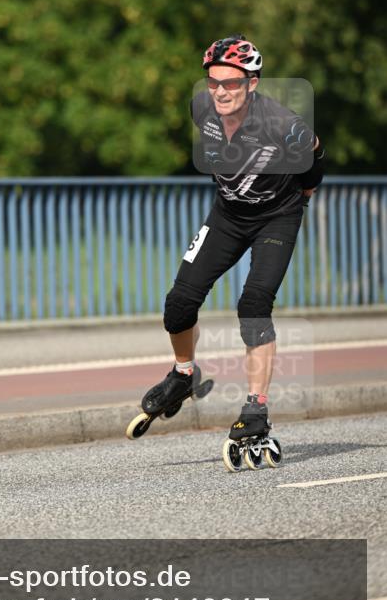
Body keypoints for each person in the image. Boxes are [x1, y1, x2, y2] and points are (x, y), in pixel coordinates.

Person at [136, 34, 325, 459]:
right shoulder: (201, 108)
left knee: (253, 304)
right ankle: (183, 375)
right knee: (178, 304)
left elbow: (317, 157)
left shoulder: (283, 124)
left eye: (231, 83)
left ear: (252, 84)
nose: (220, 91)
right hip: (227, 216)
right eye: (213, 82)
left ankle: (256, 410)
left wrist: (306, 191)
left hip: (277, 218)